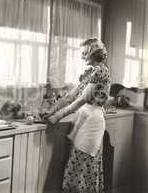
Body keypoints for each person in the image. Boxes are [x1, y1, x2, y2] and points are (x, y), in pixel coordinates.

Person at [43, 38, 110, 193]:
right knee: (77, 164)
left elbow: (82, 99)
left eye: (84, 52)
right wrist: (51, 110)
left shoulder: (101, 71)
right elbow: (70, 96)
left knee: (83, 164)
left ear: (93, 53)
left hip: (93, 121)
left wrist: (57, 116)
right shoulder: (90, 72)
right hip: (83, 118)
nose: (81, 56)